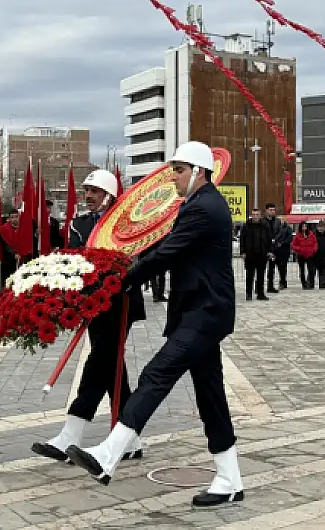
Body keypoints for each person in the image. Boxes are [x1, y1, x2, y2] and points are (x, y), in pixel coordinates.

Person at [66, 142, 244, 507]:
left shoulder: (204, 207)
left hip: (204, 313)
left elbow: (166, 253)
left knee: (156, 373)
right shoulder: (195, 205)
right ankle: (230, 479)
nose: (172, 177)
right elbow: (159, 245)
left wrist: (121, 279)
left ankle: (109, 453)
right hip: (198, 312)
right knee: (211, 396)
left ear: (199, 171)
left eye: (178, 170)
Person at [32, 169, 147, 464]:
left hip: (119, 303)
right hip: (92, 304)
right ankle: (131, 438)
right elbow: (73, 260)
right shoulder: (79, 224)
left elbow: (139, 258)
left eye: (94, 191)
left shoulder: (127, 224)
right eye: (86, 191)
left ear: (109, 194)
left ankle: (71, 434)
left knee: (99, 364)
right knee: (111, 367)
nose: (88, 196)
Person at [238, 208, 271, 301]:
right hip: (250, 254)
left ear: (260, 215)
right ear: (251, 215)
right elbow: (242, 240)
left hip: (262, 254)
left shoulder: (265, 225)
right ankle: (248, 294)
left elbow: (269, 239)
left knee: (261, 275)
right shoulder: (246, 226)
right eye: (254, 214)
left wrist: (270, 251)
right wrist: (243, 252)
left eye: (257, 214)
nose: (255, 216)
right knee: (249, 275)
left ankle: (260, 293)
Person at [262, 203, 291, 292]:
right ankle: (267, 286)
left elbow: (280, 232)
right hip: (266, 248)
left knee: (281, 267)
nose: (272, 211)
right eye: (270, 210)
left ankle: (282, 282)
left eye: (273, 210)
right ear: (266, 211)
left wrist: (276, 241)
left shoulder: (278, 221)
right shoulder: (262, 221)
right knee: (267, 269)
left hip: (277, 248)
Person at [290, 223, 319, 289]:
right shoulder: (298, 235)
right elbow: (293, 245)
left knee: (311, 270)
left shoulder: (311, 234)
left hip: (310, 254)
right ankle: (304, 284)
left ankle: (311, 284)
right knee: (302, 270)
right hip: (301, 255)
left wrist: (314, 250)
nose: (304, 228)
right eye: (303, 226)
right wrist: (299, 249)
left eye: (305, 226)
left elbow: (315, 243)